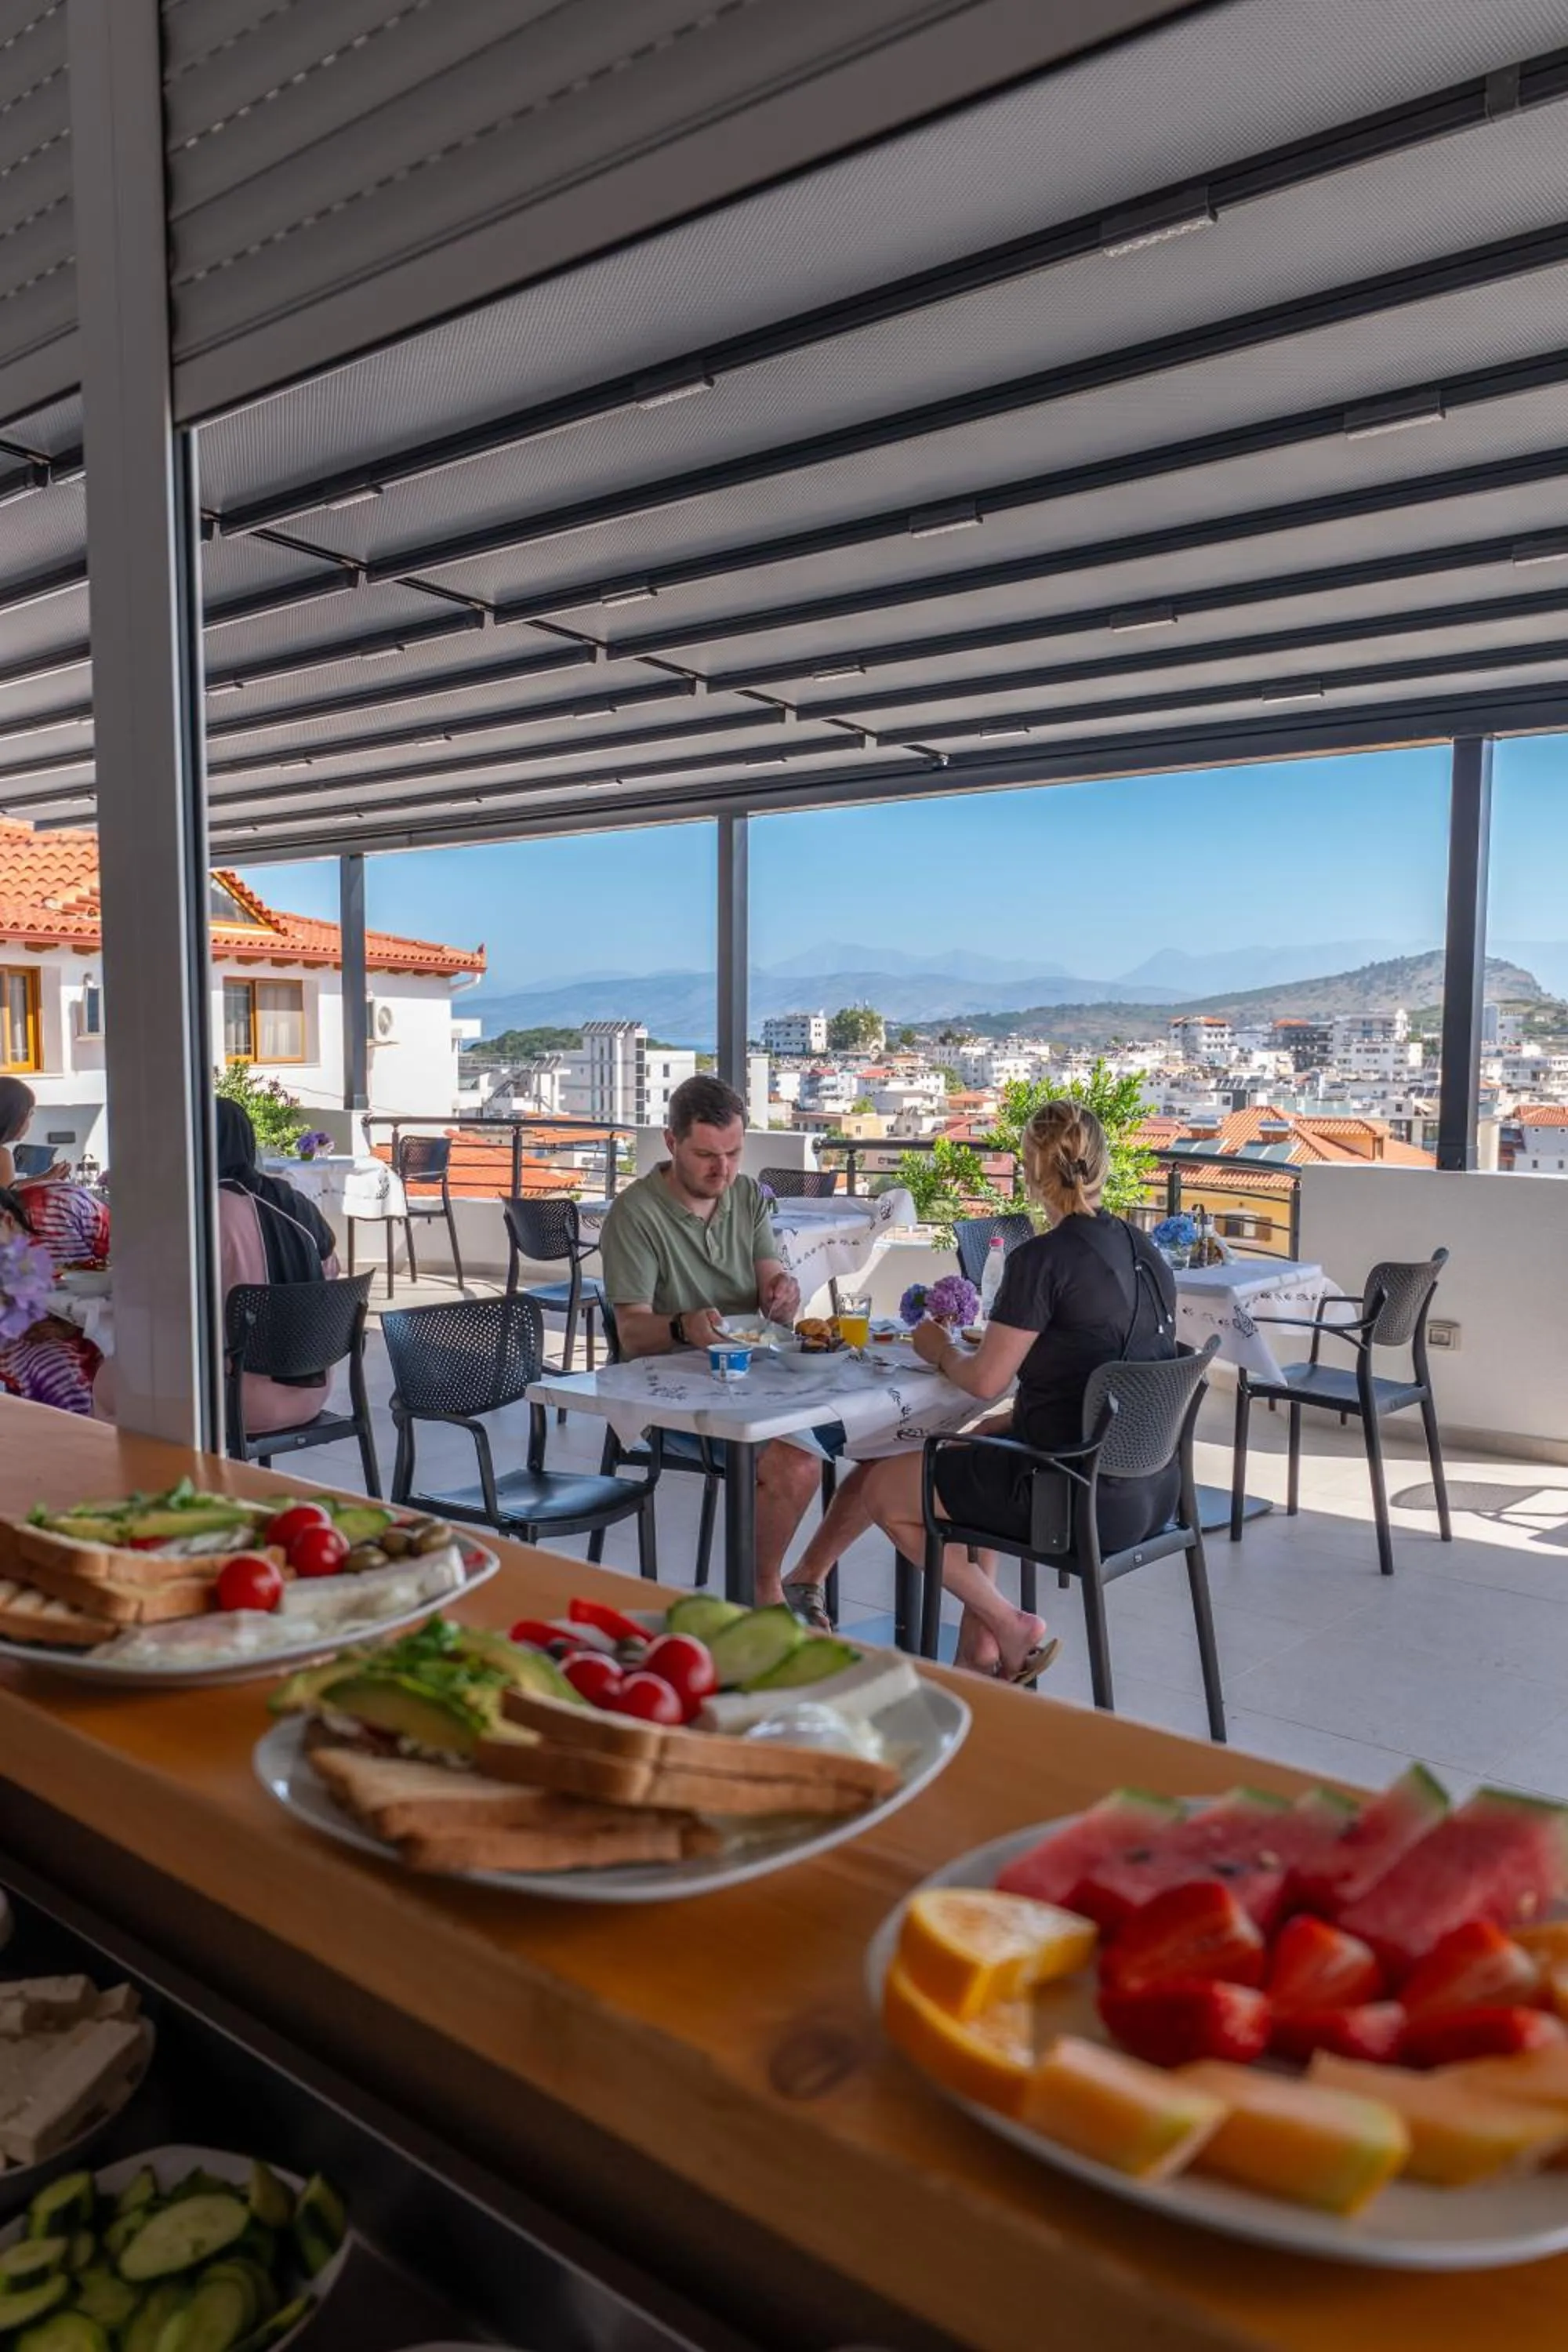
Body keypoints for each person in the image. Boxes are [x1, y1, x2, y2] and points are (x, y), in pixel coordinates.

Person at [831, 1100, 1178, 1682]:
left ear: (1031, 1170)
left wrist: (938, 1349)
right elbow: (1107, 1368)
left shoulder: (1040, 1260)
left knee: (887, 1492)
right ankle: (979, 1655)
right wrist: (1016, 1420)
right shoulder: (1147, 1253)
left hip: (1071, 1495)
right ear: (1102, 1165)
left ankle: (1010, 1623)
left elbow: (985, 1379)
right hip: (1150, 1490)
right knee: (974, 1459)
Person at [598, 1073, 833, 1606]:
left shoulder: (747, 1195)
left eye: (733, 1153)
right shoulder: (635, 1215)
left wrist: (782, 1292)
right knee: (797, 1464)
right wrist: (683, 1326)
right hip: (669, 1393)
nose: (722, 1169)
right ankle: (764, 1592)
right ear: (671, 1141)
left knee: (884, 1441)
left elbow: (770, 1282)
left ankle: (810, 1577)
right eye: (707, 1154)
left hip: (752, 1377)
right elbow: (632, 1334)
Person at [215, 1097, 341, 1436]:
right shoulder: (292, 1201)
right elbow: (331, 1273)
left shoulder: (201, 1212)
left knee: (110, 1384)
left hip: (236, 1399)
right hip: (311, 1391)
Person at [0, 1178, 111, 1414]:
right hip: (46, 1367)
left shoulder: (62, 1205)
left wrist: (73, 1323)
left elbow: (139, 1261)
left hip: (129, 1337)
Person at [0, 1078, 70, 1190]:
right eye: (30, 1115)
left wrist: (45, 1178)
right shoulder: (2, 1155)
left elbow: (9, 1188)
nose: (29, 1122)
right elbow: (7, 1201)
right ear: (16, 1116)